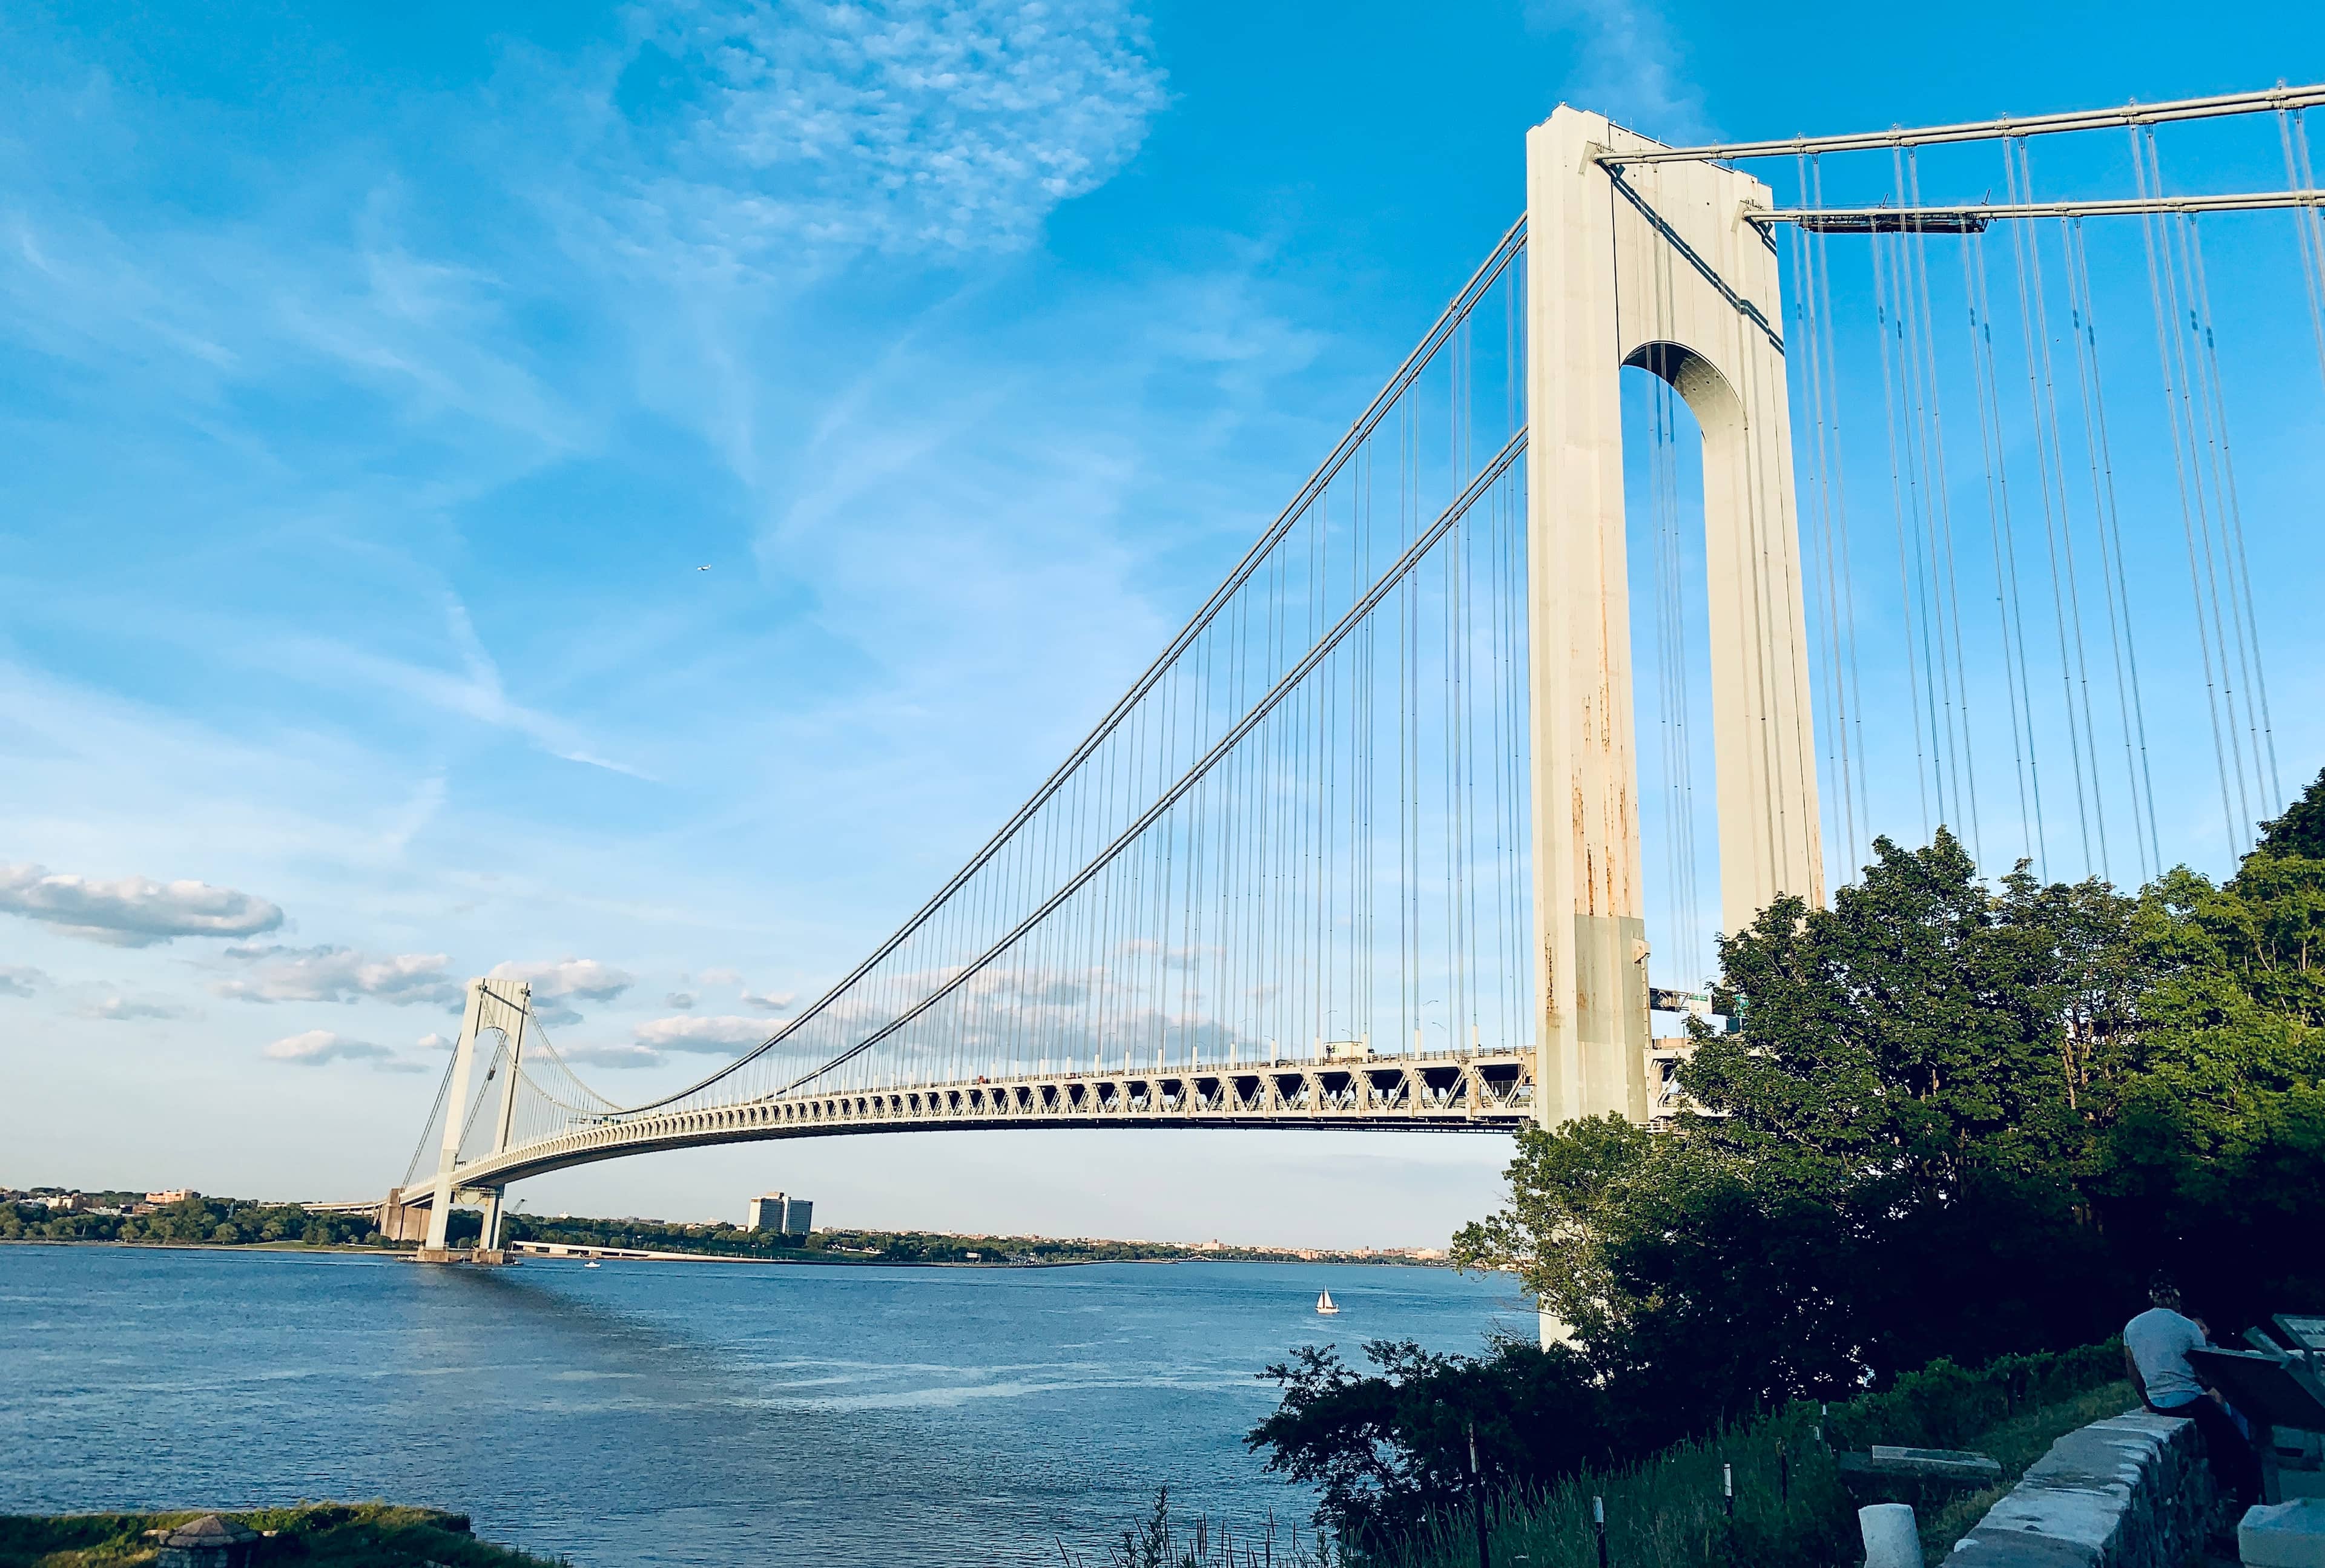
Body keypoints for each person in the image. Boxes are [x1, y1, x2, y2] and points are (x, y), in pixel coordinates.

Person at [2124, 1276, 2260, 1508]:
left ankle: (2223, 1483)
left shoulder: (2132, 1327)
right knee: (2242, 1452)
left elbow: (2134, 1374)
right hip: (2188, 1399)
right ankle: (2247, 1510)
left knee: (2216, 1432)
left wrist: (2149, 1402)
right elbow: (2203, 1372)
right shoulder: (2188, 1327)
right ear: (2178, 1303)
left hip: (2158, 1401)